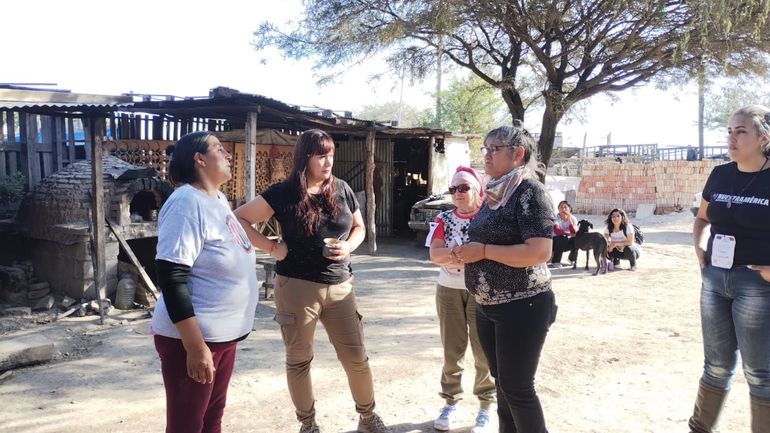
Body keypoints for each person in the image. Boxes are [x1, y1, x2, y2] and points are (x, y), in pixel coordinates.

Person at [233, 129, 392, 433]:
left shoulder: (342, 189)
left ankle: (368, 418)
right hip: (296, 287)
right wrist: (271, 247)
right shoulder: (283, 192)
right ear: (304, 157)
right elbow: (239, 218)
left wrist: (349, 246)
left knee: (356, 357)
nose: (328, 161)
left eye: (331, 154)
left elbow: (358, 227)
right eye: (321, 155)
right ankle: (308, 424)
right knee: (299, 359)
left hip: (340, 286)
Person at [150, 131, 258, 433]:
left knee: (211, 420)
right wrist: (195, 347)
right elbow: (172, 277)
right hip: (194, 342)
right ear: (199, 159)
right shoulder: (186, 202)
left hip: (223, 338)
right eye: (219, 150)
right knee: (187, 425)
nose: (227, 155)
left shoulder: (218, 199)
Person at [453, 122, 557, 433]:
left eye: (494, 149)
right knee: (504, 385)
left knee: (518, 389)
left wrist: (482, 250)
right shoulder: (494, 193)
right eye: (485, 149)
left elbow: (539, 251)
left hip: (523, 305)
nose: (486, 155)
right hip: (487, 306)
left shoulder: (530, 193)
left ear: (518, 154)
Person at [688, 104, 770, 433]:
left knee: (759, 372)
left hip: (757, 284)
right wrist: (698, 246)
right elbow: (703, 217)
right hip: (714, 280)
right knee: (716, 366)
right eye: (729, 131)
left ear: (764, 138)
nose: (732, 138)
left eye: (741, 132)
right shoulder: (720, 174)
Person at [428, 166, 496, 433]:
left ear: (478, 189)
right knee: (451, 351)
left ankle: (485, 407)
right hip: (448, 289)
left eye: (463, 188)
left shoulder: (489, 218)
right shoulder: (443, 217)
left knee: (483, 352)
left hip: (481, 291)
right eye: (453, 188)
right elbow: (434, 255)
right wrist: (464, 254)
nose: (457, 193)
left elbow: (491, 253)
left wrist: (452, 253)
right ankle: (450, 402)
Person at [549, 200, 577, 268]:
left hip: (565, 243)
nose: (563, 209)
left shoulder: (573, 218)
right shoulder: (555, 217)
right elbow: (557, 230)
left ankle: (571, 259)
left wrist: (569, 219)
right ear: (558, 209)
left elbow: (574, 232)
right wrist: (568, 234)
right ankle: (556, 261)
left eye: (565, 207)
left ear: (569, 209)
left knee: (577, 239)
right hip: (553, 242)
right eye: (561, 207)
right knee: (562, 238)